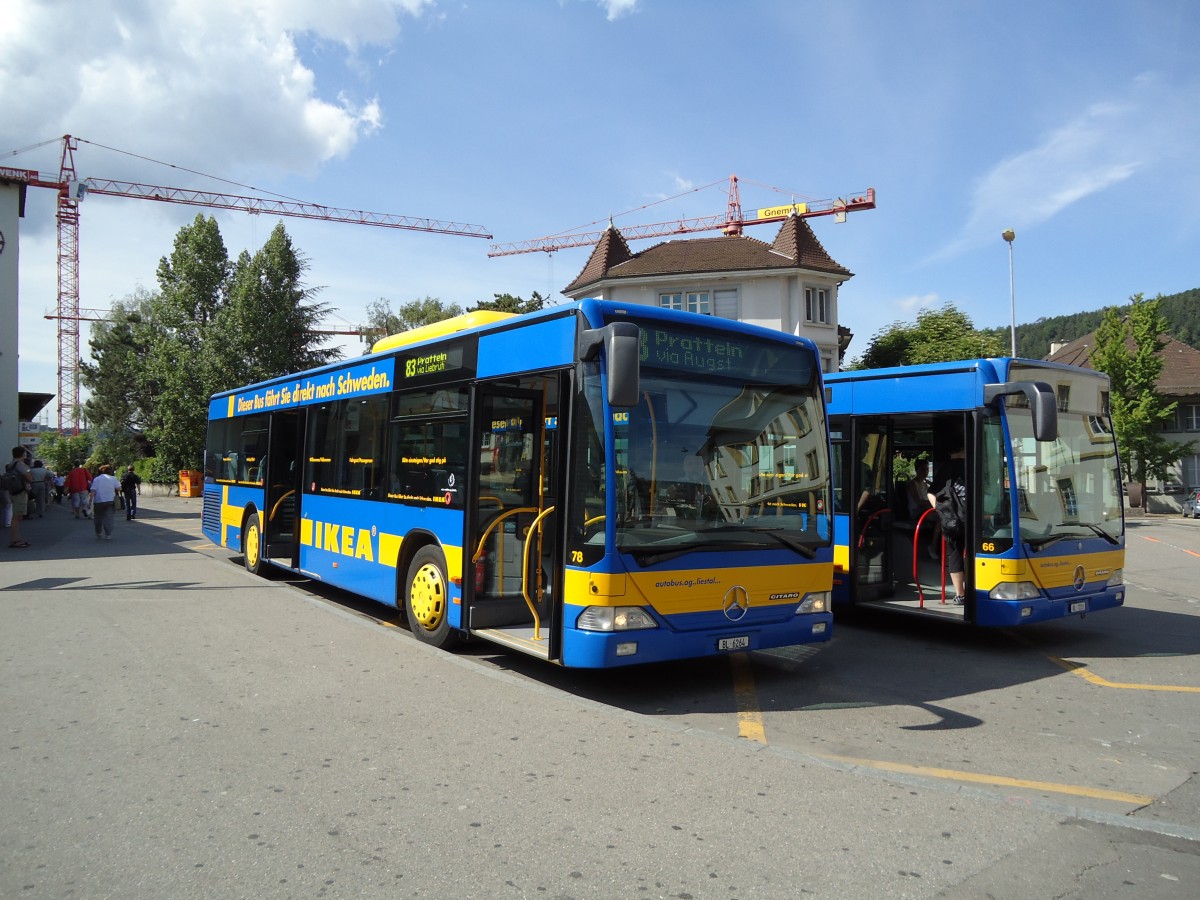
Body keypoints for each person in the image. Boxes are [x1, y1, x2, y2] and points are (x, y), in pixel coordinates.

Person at [929, 444, 968, 605]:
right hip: (970, 518)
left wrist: (940, 510)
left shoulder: (944, 469)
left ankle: (960, 594)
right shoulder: (970, 465)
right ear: (962, 450)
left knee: (955, 554)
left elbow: (931, 492)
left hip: (951, 520)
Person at [6, 446, 32, 548]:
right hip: (20, 492)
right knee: (17, 516)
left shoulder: (11, 464)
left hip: (13, 491)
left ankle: (16, 539)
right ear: (23, 454)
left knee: (16, 516)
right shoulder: (20, 464)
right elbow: (29, 477)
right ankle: (15, 540)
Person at [89, 464, 121, 540]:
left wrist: (90, 500)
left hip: (98, 501)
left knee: (98, 518)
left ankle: (98, 532)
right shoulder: (113, 478)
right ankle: (108, 534)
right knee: (109, 518)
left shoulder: (96, 479)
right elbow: (119, 488)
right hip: (110, 500)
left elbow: (93, 491)